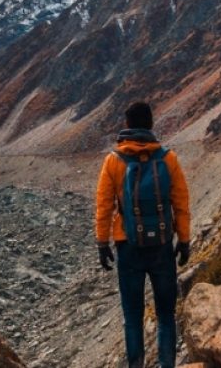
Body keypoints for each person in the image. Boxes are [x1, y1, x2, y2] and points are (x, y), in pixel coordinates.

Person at [94, 102, 191, 368]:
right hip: (161, 245)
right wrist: (184, 240)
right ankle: (167, 364)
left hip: (128, 247)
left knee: (133, 316)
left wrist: (103, 242)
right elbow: (181, 202)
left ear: (127, 125)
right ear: (150, 124)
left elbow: (104, 206)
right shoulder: (168, 158)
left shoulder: (113, 161)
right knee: (166, 314)